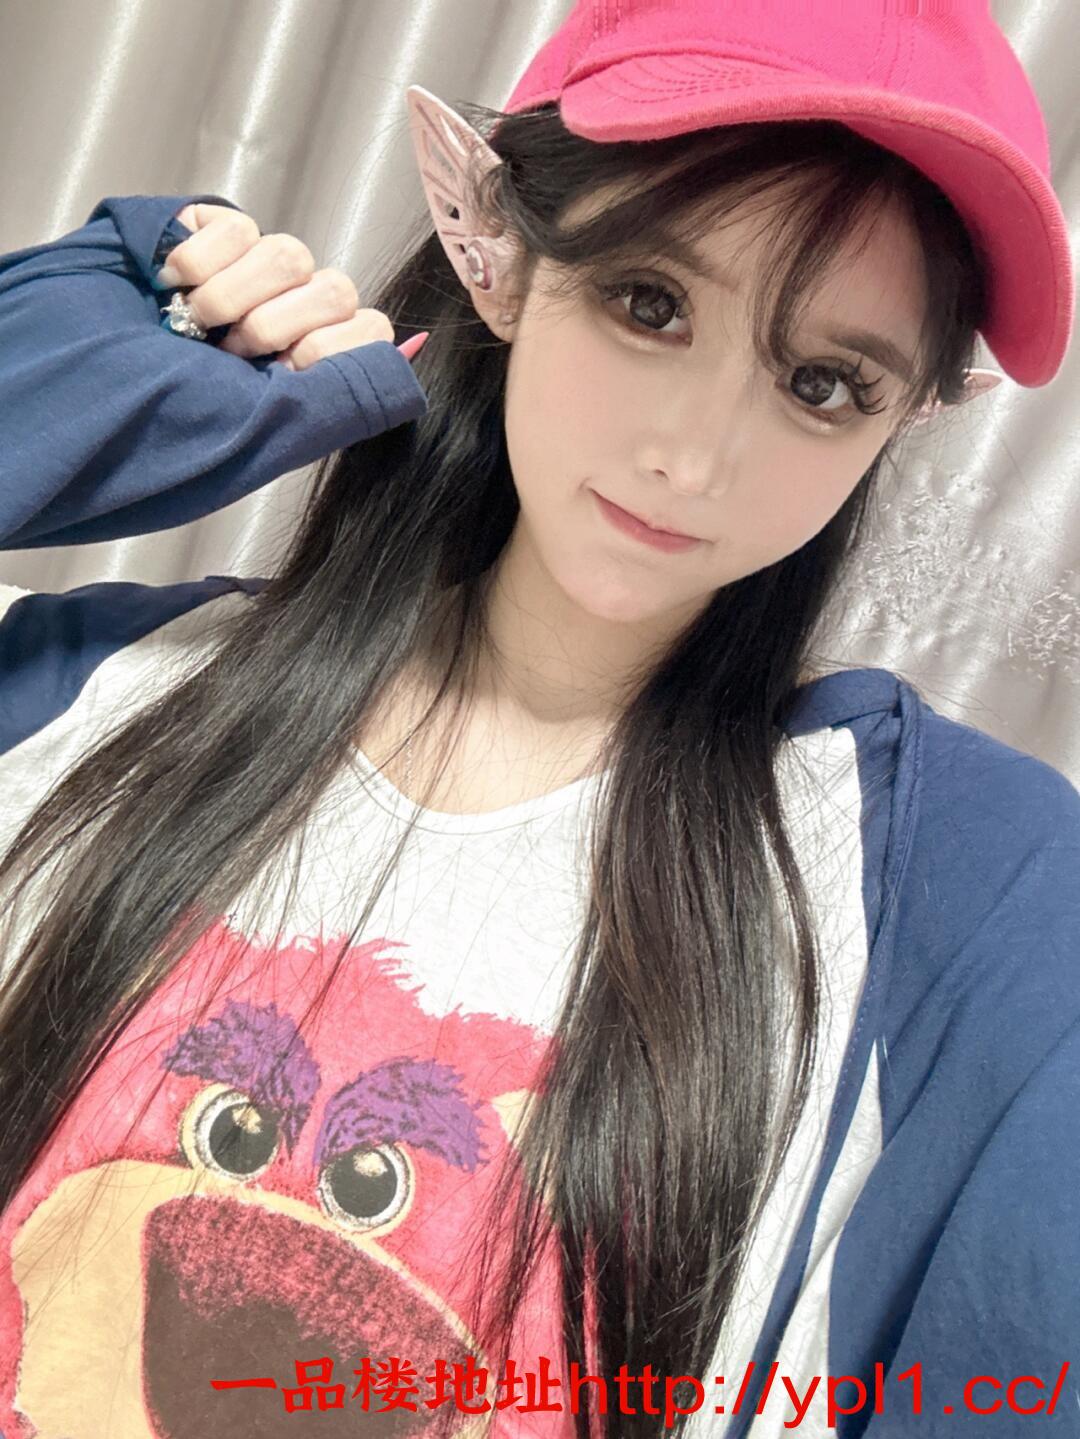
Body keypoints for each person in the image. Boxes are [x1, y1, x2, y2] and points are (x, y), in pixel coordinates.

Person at [0, 3, 1077, 1436]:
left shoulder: (966, 897)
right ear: (498, 253)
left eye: (824, 383)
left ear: (908, 417)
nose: (695, 455)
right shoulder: (100, 693)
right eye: (651, 303)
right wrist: (35, 377)